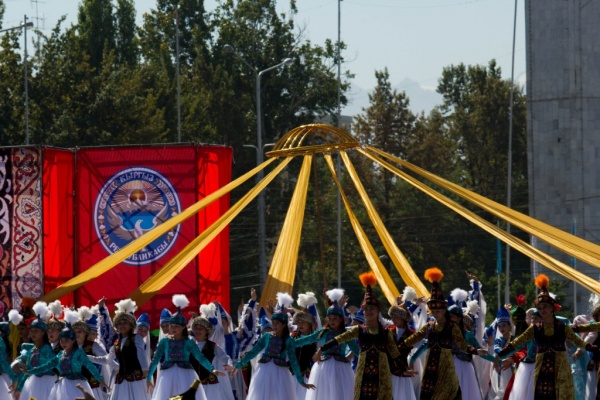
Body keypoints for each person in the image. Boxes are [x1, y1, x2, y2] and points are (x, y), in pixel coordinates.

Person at [496, 274, 595, 400]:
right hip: (543, 372)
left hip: (561, 372)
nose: (543, 310)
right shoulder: (535, 328)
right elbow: (517, 343)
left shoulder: (562, 327)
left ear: (552, 308)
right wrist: (500, 355)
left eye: (546, 306)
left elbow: (578, 341)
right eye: (540, 307)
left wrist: (592, 348)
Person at [400, 267, 487, 400]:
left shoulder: (452, 327)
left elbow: (462, 345)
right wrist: (397, 347)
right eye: (433, 312)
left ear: (444, 310)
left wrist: (476, 351)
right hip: (431, 368)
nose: (436, 314)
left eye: (438, 311)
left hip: (447, 368)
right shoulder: (429, 327)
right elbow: (412, 339)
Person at [319, 272, 404, 399]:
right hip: (363, 372)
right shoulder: (358, 330)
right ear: (363, 312)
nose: (369, 311)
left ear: (377, 311)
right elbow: (339, 339)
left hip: (382, 373)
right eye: (366, 309)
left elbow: (394, 353)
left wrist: (403, 369)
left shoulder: (387, 332)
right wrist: (321, 349)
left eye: (372, 309)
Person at [231, 292, 315, 400]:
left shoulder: (288, 340)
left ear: (284, 325)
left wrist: (301, 381)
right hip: (264, 371)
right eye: (273, 323)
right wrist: (238, 365)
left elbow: (293, 361)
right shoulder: (266, 336)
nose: (274, 326)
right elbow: (253, 352)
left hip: (281, 373)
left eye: (277, 323)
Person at [147, 294, 224, 400]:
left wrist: (212, 369)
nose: (173, 328)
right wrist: (149, 376)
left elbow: (200, 357)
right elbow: (155, 359)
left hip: (186, 375)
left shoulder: (189, 342)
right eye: (172, 326)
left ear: (183, 327)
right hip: (167, 376)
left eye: (176, 326)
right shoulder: (164, 341)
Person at [296, 288, 359, 400]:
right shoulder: (323, 332)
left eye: (335, 318)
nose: (332, 321)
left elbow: (356, 349)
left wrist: (354, 356)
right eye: (330, 318)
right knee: (323, 394)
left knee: (339, 394)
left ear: (341, 319)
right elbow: (307, 339)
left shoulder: (345, 334)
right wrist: (291, 342)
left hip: (341, 368)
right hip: (323, 367)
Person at [89, 298, 150, 400]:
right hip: (120, 381)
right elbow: (107, 359)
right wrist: (89, 357)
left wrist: (144, 369)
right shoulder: (116, 343)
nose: (122, 325)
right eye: (119, 323)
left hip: (135, 379)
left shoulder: (136, 338)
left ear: (131, 325)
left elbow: (140, 354)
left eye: (125, 323)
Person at [49, 309, 109, 400]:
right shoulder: (64, 350)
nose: (77, 334)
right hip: (67, 385)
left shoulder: (92, 345)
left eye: (79, 332)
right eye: (75, 332)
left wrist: (100, 377)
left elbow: (104, 359)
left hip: (90, 383)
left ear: (85, 333)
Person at [10, 302, 57, 400]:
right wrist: (19, 388)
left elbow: (54, 363)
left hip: (47, 384)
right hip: (33, 384)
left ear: (43, 332)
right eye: (31, 331)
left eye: (36, 331)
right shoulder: (31, 350)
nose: (33, 333)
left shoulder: (47, 349)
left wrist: (34, 370)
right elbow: (27, 371)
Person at [190, 315, 234, 400]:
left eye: (200, 329)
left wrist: (229, 364)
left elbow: (225, 357)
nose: (197, 331)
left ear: (206, 331)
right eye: (196, 328)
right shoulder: (189, 345)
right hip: (193, 382)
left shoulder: (212, 346)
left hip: (209, 383)